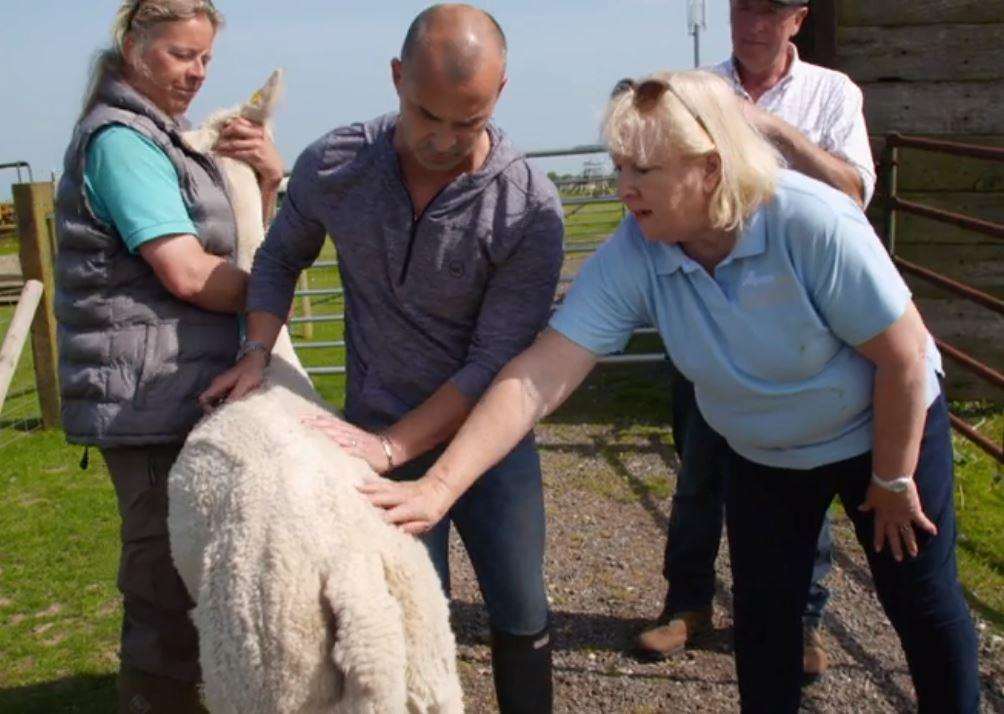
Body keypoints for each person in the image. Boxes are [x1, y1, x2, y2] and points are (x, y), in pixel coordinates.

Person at [359, 70, 981, 713]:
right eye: (620, 165)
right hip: (765, 454)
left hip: (879, 427)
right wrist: (437, 488)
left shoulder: (809, 221)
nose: (624, 188)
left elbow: (905, 358)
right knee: (765, 622)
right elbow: (538, 376)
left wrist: (894, 479)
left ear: (711, 168)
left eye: (645, 170)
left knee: (920, 601)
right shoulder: (637, 253)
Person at [199, 5, 564, 712]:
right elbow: (280, 255)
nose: (448, 140)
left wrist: (398, 444)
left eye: (471, 119)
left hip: (487, 447)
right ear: (397, 78)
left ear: (501, 92)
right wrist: (256, 347)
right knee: (406, 618)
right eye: (428, 115)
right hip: (369, 440)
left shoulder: (527, 208)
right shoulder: (337, 164)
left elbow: (495, 360)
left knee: (521, 609)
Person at [636, 0, 878, 677]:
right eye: (743, 6)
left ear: (797, 19)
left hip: (803, 314)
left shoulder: (833, 93)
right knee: (699, 465)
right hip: (709, 304)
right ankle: (686, 603)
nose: (752, 23)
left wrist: (771, 131)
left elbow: (855, 190)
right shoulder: (693, 89)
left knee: (806, 457)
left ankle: (798, 619)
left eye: (769, 10)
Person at [54, 1, 283, 711]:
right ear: (132, 42)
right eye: (181, 54)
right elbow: (186, 270)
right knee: (163, 585)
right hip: (147, 400)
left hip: (185, 388)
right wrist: (272, 300)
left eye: (205, 58)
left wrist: (269, 181)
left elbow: (239, 246)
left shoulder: (167, 138)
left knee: (199, 579)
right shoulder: (122, 143)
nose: (196, 73)